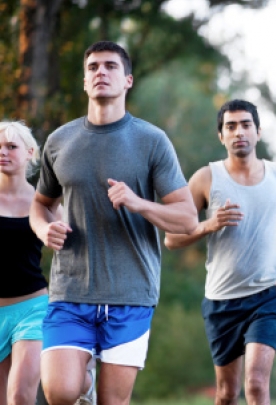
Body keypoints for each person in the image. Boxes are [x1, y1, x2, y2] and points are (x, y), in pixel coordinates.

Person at [29, 41, 197, 405]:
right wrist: (45, 229)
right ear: (85, 82)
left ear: (128, 80)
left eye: (110, 66)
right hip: (71, 290)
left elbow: (186, 219)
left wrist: (138, 203)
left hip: (131, 294)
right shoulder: (59, 141)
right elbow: (40, 205)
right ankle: (80, 383)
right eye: (92, 68)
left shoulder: (152, 141)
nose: (100, 72)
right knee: (59, 392)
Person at [164, 99, 276, 405]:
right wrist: (208, 225)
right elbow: (171, 238)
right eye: (231, 126)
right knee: (228, 394)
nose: (239, 132)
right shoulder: (206, 178)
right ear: (221, 136)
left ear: (258, 132)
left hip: (268, 293)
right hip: (222, 301)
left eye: (245, 125)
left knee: (255, 385)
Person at [0, 121, 52, 405]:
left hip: (31, 308)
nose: (3, 153)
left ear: (30, 152)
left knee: (20, 395)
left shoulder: (41, 202)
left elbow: (69, 241)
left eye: (11, 146)